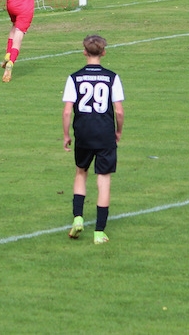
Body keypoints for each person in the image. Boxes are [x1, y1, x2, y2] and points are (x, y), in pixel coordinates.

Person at [62, 35, 125, 245]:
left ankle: (78, 218)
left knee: (81, 172)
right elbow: (119, 111)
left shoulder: (74, 78)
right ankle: (99, 232)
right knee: (103, 179)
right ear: (104, 52)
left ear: (84, 52)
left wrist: (66, 135)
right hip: (105, 133)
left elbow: (67, 111)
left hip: (83, 133)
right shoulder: (112, 77)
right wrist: (118, 131)